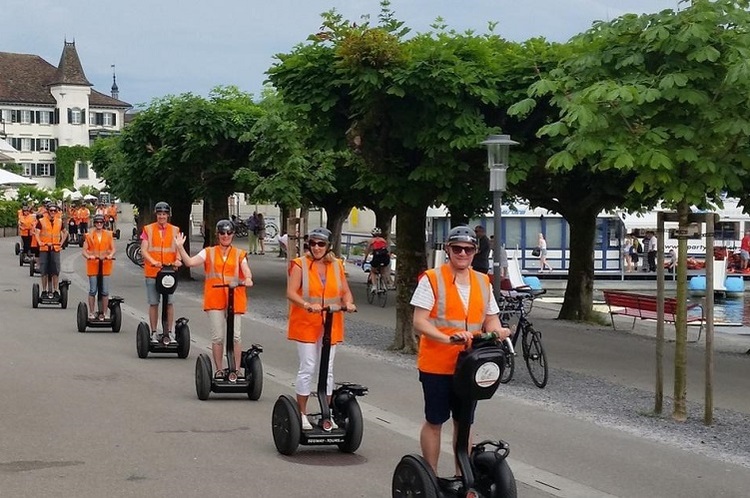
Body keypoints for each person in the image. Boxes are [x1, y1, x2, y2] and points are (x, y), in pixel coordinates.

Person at [410, 225, 511, 476]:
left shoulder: (482, 281)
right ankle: (430, 478)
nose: (462, 253)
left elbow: (491, 318)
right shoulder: (432, 279)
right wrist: (446, 338)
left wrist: (498, 330)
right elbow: (419, 321)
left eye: (467, 249)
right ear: (448, 249)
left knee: (464, 421)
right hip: (437, 362)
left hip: (470, 364)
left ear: (475, 251)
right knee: (435, 420)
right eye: (457, 248)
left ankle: (461, 476)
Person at [286, 227, 356, 431]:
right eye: (313, 243)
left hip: (330, 324)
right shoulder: (300, 264)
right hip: (307, 322)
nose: (316, 247)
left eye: (321, 244)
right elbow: (291, 292)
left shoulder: (337, 266)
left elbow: (346, 292)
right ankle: (302, 413)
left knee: (328, 369)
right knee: (308, 366)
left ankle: (327, 412)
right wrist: (306, 305)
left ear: (329, 246)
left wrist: (349, 303)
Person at [175, 219, 253, 381]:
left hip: (235, 299)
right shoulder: (208, 252)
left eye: (229, 233)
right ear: (217, 235)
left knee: (236, 337)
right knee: (218, 337)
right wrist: (180, 247)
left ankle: (236, 371)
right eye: (222, 233)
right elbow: (189, 263)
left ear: (233, 235)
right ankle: (219, 370)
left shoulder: (239, 254)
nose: (225, 236)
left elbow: (246, 271)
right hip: (215, 298)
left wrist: (248, 279)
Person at [140, 201, 182, 344]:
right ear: (156, 215)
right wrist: (152, 260)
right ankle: (153, 332)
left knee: (169, 302)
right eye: (159, 214)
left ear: (168, 215)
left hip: (169, 272)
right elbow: (144, 249)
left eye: (164, 214)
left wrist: (178, 260)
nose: (162, 217)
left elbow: (179, 249)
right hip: (153, 271)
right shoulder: (148, 229)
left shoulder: (175, 230)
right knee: (154, 303)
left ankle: (169, 332)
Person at [82, 214, 116, 320]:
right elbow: (84, 250)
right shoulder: (89, 235)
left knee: (105, 291)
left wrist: (110, 255)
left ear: (104, 223)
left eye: (101, 222)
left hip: (105, 265)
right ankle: (91, 312)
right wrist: (89, 256)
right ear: (94, 223)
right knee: (93, 290)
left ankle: (104, 313)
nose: (99, 224)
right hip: (93, 265)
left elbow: (113, 248)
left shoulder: (109, 234)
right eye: (97, 222)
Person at [34, 203, 68, 298]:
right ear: (48, 211)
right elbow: (37, 233)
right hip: (44, 248)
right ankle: (44, 290)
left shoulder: (59, 221)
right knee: (44, 270)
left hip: (55, 248)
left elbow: (65, 232)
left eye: (54, 211)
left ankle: (55, 290)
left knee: (55, 271)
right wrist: (40, 242)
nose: (53, 212)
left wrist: (61, 243)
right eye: (51, 210)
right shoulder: (41, 221)